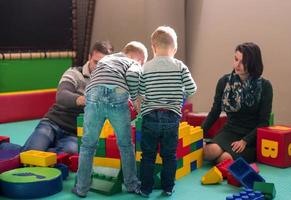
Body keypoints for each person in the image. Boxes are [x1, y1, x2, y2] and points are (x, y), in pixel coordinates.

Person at [0, 41, 114, 154]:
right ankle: (4, 147)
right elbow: (62, 95)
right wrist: (83, 99)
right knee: (31, 153)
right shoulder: (74, 73)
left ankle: (44, 152)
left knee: (68, 154)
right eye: (96, 62)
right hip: (53, 123)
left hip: (75, 133)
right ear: (89, 57)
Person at [72, 41, 148, 197]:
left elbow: (98, 79)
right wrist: (134, 98)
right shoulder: (133, 63)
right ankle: (132, 184)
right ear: (138, 58)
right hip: (117, 93)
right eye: (143, 63)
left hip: (93, 93)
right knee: (125, 144)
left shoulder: (108, 58)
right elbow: (133, 75)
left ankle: (81, 188)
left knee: (88, 145)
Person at [137, 26, 197, 197]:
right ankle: (168, 187)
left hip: (150, 117)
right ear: (175, 48)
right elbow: (192, 88)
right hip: (171, 117)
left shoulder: (146, 68)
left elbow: (140, 92)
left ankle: (145, 189)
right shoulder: (180, 66)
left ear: (153, 47)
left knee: (147, 155)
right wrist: (180, 93)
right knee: (169, 155)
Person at [202, 42, 273, 164]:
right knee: (209, 152)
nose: (237, 65)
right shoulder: (224, 82)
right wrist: (199, 133)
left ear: (252, 64)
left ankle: (225, 161)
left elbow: (264, 122)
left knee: (225, 159)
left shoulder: (265, 86)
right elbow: (215, 112)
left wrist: (245, 141)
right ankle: (221, 160)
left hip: (250, 135)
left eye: (243, 62)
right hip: (229, 130)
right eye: (236, 59)